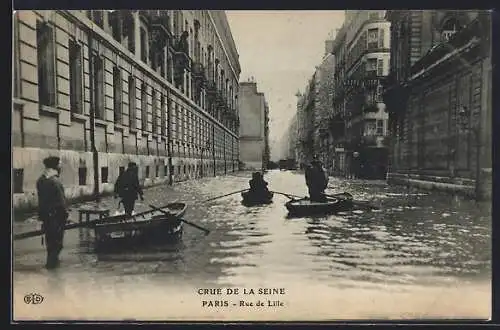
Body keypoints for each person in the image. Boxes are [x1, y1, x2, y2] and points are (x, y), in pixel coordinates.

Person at [36, 156, 69, 269]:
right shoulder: (55, 181)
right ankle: (52, 268)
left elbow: (41, 201)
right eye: (60, 164)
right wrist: (66, 215)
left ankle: (51, 267)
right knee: (57, 244)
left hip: (46, 217)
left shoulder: (41, 180)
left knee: (50, 242)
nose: (61, 167)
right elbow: (61, 202)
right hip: (57, 217)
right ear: (55, 166)